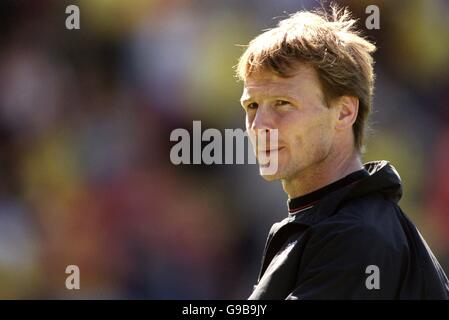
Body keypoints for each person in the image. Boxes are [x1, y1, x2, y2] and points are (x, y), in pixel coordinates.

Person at [235, 6, 449, 299]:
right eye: (252, 106)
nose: (259, 126)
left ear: (345, 112)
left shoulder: (357, 237)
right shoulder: (338, 225)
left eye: (283, 103)